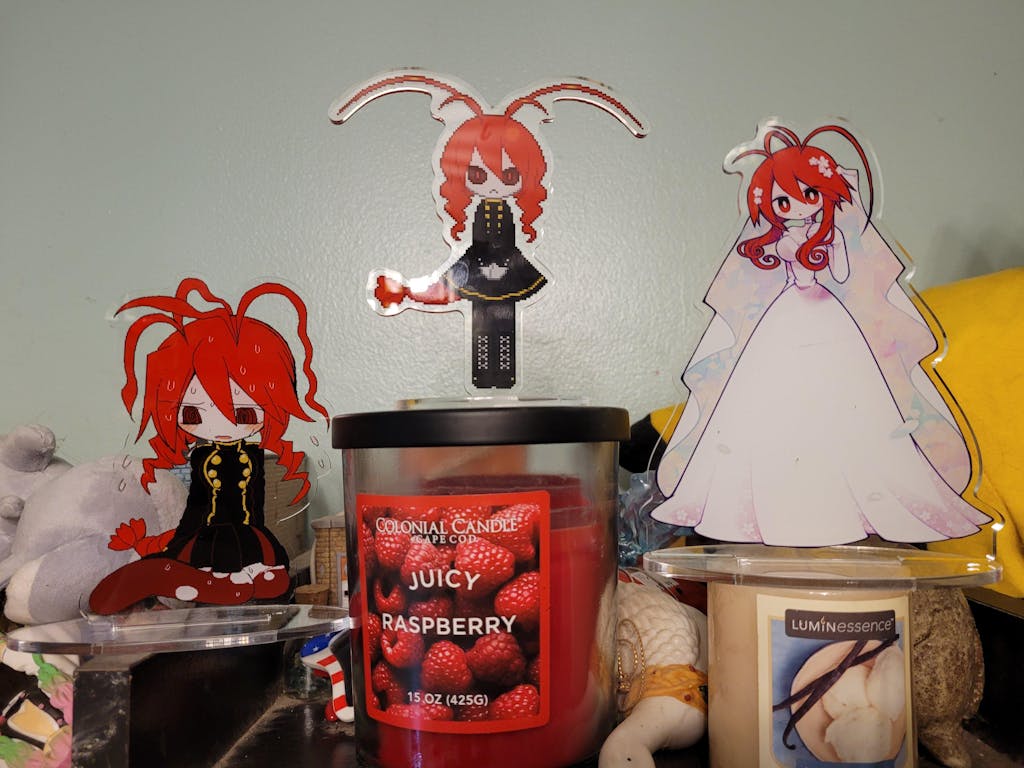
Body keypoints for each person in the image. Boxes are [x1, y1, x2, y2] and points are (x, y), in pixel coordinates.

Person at [653, 124, 990, 546]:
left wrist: (846, 230)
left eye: (808, 194)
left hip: (830, 319)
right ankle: (780, 499)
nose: (795, 207)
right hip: (786, 321)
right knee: (775, 402)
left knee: (847, 400)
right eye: (782, 200)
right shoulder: (780, 242)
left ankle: (846, 500)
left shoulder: (831, 238)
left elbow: (844, 274)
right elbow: (780, 260)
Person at [90, 278, 328, 613]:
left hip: (247, 533)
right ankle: (201, 580)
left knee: (262, 565)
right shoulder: (201, 457)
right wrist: (178, 544)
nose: (222, 424)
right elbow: (197, 505)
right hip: (208, 535)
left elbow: (255, 505)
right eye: (193, 412)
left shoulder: (253, 457)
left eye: (243, 412)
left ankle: (238, 579)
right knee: (206, 557)